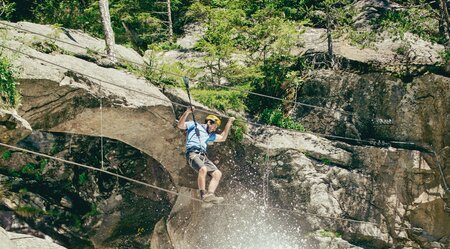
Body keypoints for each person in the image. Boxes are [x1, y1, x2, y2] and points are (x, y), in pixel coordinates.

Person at [177, 107, 235, 203]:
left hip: (203, 156)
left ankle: (210, 195)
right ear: (209, 122)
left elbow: (223, 137)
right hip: (192, 153)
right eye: (214, 126)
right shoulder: (194, 125)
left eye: (215, 128)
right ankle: (203, 195)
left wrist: (229, 123)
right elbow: (180, 125)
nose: (214, 129)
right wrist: (187, 112)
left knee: (217, 174)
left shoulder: (210, 135)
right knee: (203, 169)